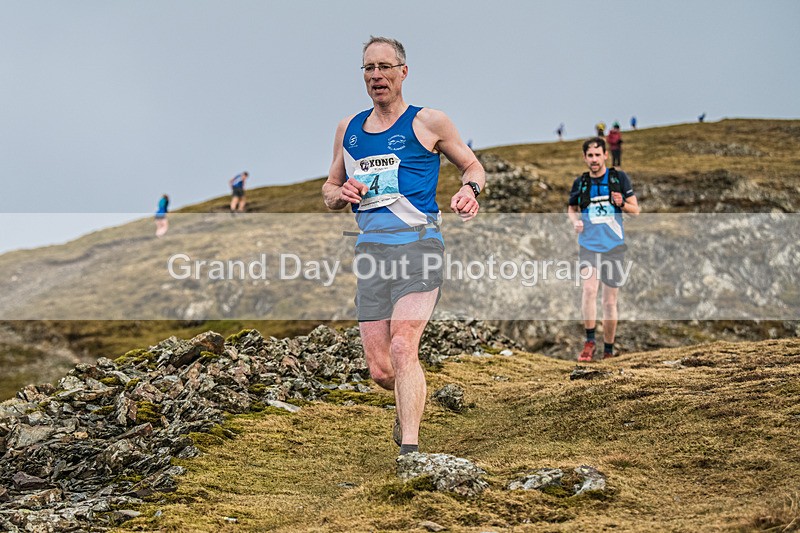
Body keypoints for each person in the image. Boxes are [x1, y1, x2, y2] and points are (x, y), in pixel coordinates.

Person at [322, 36, 485, 456]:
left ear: (403, 72)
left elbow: (472, 164)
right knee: (380, 369)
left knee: (403, 345)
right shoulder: (349, 129)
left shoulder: (428, 122)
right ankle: (407, 398)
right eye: (368, 68)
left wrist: (470, 190)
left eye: (384, 67)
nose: (377, 76)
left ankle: (410, 452)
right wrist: (340, 194)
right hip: (371, 253)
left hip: (419, 246)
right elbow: (329, 187)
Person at [567, 137, 640, 361]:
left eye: (598, 155)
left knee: (609, 302)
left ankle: (609, 350)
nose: (594, 160)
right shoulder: (581, 183)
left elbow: (635, 210)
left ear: (606, 155)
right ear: (585, 158)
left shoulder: (618, 178)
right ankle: (590, 342)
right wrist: (575, 222)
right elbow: (571, 208)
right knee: (589, 290)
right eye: (590, 156)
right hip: (589, 245)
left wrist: (621, 203)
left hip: (614, 247)